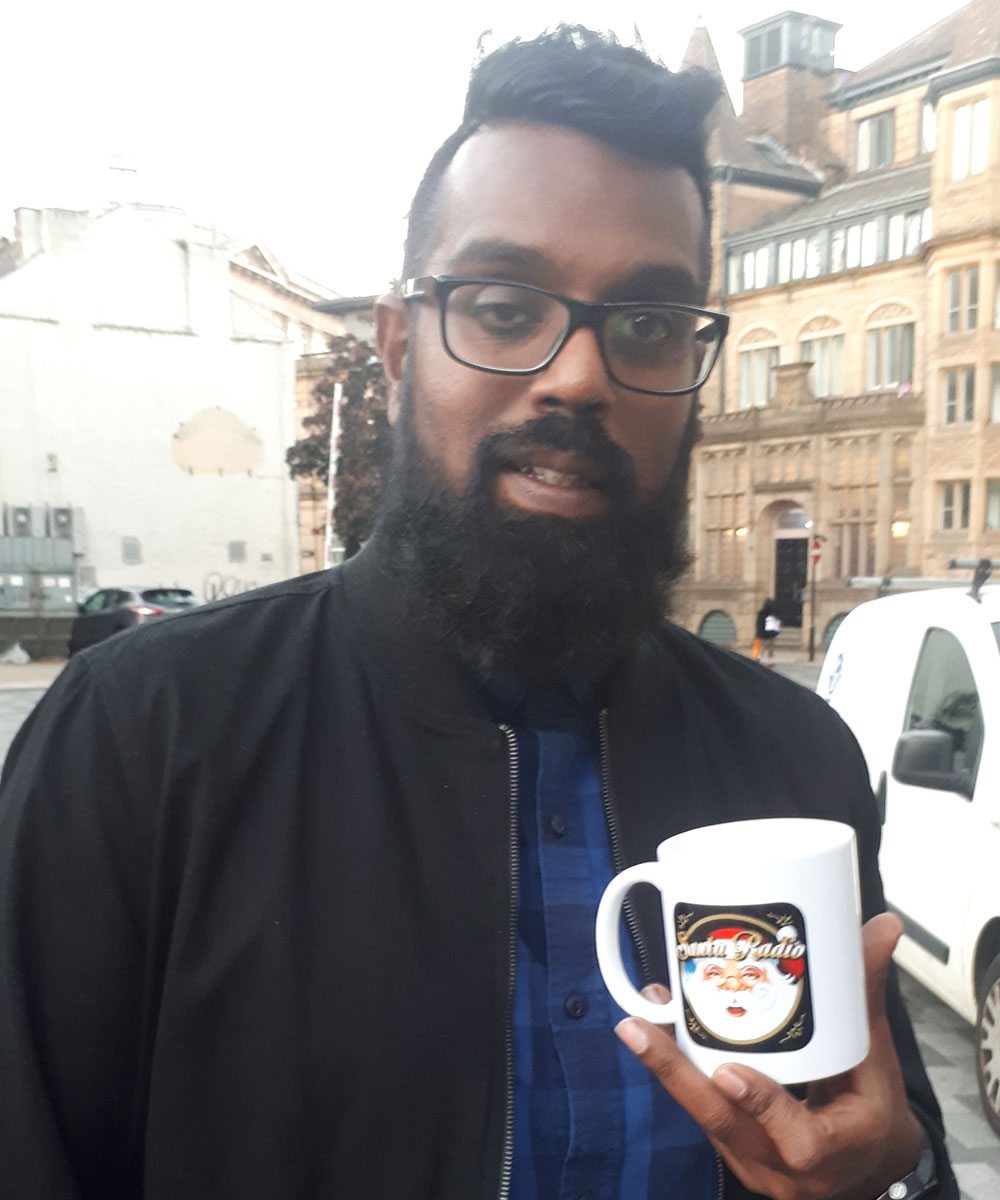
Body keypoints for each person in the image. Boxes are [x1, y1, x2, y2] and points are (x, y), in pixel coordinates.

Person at [0, 27, 954, 1200]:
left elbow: (891, 1140)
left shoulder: (792, 753)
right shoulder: (144, 739)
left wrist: (889, 1174)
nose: (579, 376)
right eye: (504, 308)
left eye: (648, 324)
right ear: (398, 349)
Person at [754, 597, 781, 662]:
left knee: (762, 645)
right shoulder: (773, 613)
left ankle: (759, 657)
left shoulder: (762, 612)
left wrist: (759, 633)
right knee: (770, 646)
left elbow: (759, 623)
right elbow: (777, 621)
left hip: (763, 632)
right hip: (771, 632)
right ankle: (770, 659)